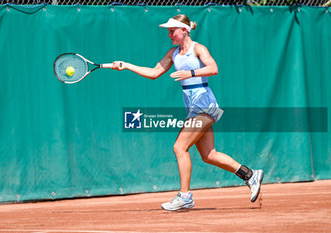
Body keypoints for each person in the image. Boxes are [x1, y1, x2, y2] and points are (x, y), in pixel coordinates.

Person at [111, 14, 264, 211]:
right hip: (194, 109)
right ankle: (250, 175)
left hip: (205, 106)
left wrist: (190, 73)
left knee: (179, 147)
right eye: (168, 31)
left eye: (172, 31)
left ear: (184, 30)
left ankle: (185, 196)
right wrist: (127, 65)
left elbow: (213, 68)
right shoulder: (173, 53)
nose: (169, 34)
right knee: (209, 155)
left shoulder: (198, 49)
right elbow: (154, 72)